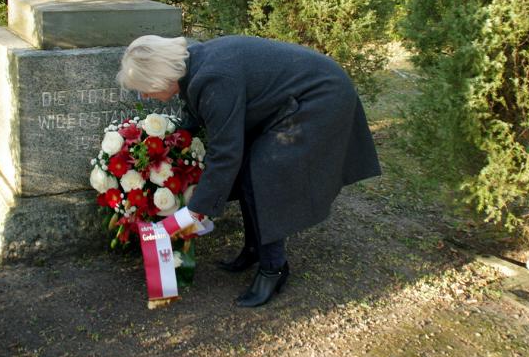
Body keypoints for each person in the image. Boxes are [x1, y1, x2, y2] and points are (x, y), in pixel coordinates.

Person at [117, 35, 382, 307]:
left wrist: (197, 209)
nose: (146, 97)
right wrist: (174, 140)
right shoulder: (192, 62)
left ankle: (274, 268)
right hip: (298, 97)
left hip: (321, 98)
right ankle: (255, 248)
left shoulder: (213, 78)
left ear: (162, 77)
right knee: (248, 173)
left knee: (263, 175)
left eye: (145, 90)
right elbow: (201, 109)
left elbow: (225, 154)